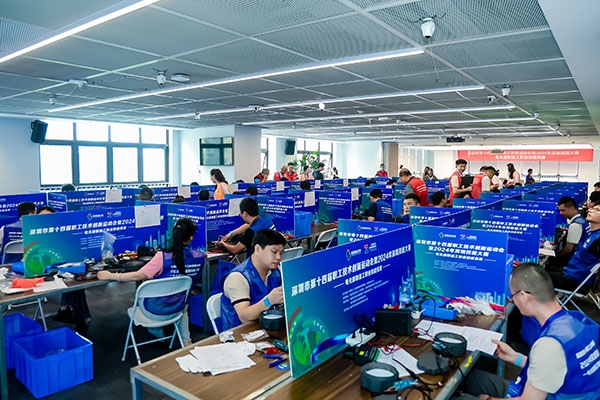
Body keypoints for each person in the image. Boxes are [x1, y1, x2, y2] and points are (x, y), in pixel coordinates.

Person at [456, 263, 600, 400]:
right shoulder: (574, 320)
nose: (513, 301)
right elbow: (553, 369)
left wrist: (488, 399)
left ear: (524, 296)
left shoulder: (549, 345)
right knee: (468, 377)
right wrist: (516, 357)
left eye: (512, 296)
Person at [97, 218, 203, 346]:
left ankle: (157, 332)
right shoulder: (200, 257)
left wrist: (111, 275)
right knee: (183, 303)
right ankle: (186, 341)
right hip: (178, 309)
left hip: (155, 311)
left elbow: (137, 276)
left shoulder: (162, 256)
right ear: (191, 238)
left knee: (144, 288)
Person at [221, 229, 286, 331]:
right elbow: (244, 317)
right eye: (274, 252)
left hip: (268, 328)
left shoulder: (276, 270)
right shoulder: (237, 278)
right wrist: (269, 300)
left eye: (281, 253)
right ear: (258, 249)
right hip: (239, 334)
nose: (278, 257)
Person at [546, 200, 600, 292]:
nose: (590, 210)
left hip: (574, 281)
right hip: (570, 273)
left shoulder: (597, 240)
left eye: (597, 210)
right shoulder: (593, 234)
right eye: (592, 208)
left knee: (530, 276)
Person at [551, 196, 590, 266]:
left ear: (572, 209)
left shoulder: (575, 225)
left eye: (563, 210)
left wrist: (556, 256)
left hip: (576, 261)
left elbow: (568, 249)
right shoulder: (581, 220)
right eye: (559, 210)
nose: (560, 213)